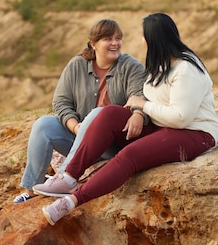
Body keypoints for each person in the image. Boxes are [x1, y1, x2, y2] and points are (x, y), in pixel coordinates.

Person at [33, 12, 218, 225]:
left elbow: (181, 118)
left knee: (129, 155)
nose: (140, 41)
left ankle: (72, 201)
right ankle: (68, 177)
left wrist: (142, 106)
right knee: (108, 113)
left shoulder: (186, 69)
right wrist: (137, 113)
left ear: (153, 38)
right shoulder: (160, 64)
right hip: (162, 127)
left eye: (143, 36)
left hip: (194, 132)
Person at [13, 19, 147, 204]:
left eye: (118, 38)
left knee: (97, 115)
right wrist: (76, 127)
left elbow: (139, 96)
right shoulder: (77, 65)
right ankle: (32, 190)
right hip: (79, 141)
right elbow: (61, 102)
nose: (115, 43)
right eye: (108, 38)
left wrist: (138, 113)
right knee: (43, 125)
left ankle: (65, 179)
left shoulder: (131, 66)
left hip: (113, 145)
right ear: (94, 44)